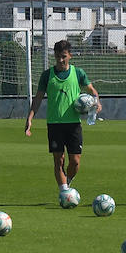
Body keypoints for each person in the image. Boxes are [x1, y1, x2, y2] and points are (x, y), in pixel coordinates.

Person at [24, 40, 101, 194]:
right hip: (54, 124)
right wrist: (30, 118)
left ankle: (68, 181)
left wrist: (97, 103)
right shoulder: (47, 75)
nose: (60, 60)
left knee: (75, 161)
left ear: (70, 56)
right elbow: (38, 98)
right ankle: (64, 192)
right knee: (58, 160)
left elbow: (92, 91)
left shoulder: (78, 73)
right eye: (57, 56)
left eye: (63, 56)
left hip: (73, 124)